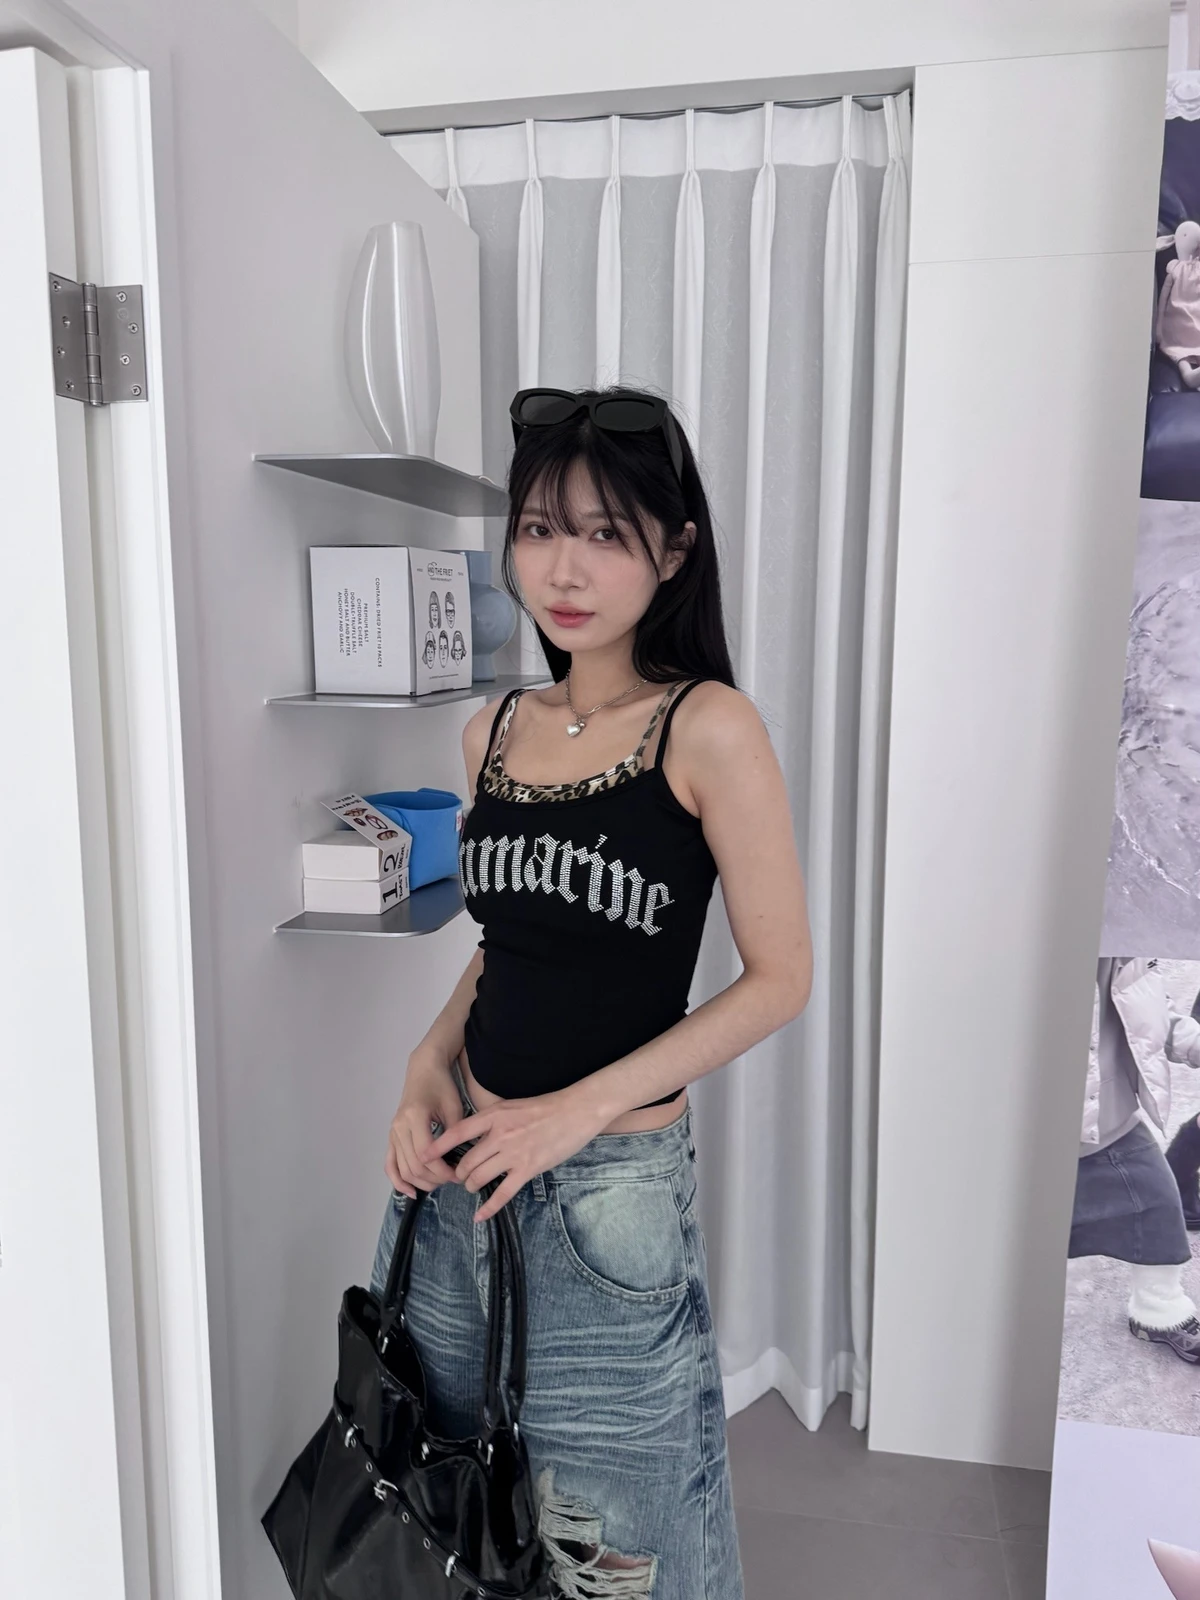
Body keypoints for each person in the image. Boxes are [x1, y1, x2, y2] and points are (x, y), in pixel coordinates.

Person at [368, 384, 812, 1599]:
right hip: (461, 1176)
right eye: (539, 528)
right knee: (455, 1514)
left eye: (606, 534)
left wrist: (574, 1113)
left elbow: (780, 979)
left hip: (608, 1198)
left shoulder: (707, 727)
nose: (563, 568)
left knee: (617, 1554)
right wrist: (425, 1061)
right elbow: (510, 941)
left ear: (674, 551)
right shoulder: (493, 731)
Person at [1069, 956, 1200, 1364]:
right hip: (1017, 1124)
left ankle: (1158, 1309)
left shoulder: (1126, 939)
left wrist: (1194, 1041)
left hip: (1108, 1111)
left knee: (1157, 1202)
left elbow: (1150, 1008)